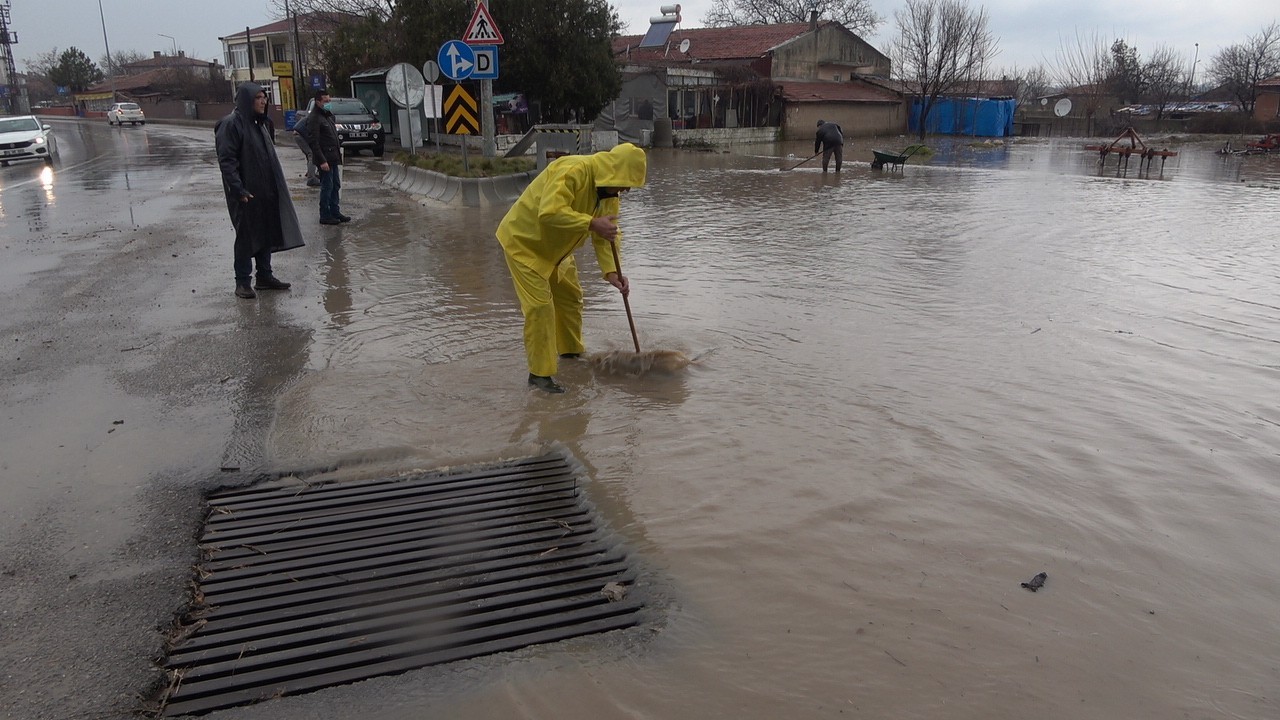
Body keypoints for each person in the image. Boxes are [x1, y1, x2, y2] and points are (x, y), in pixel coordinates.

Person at [496, 143, 648, 393]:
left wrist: (612, 272)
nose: (626, 189)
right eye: (625, 182)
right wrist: (591, 223)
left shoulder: (609, 195)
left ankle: (570, 353)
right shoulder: (573, 171)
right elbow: (550, 212)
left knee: (571, 299)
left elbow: (607, 235)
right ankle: (540, 376)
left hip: (557, 251)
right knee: (540, 308)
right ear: (614, 172)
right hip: (524, 243)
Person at [215, 82, 305, 299]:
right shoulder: (231, 124)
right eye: (258, 98)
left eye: (265, 97)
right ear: (247, 100)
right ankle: (242, 282)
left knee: (266, 232)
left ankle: (264, 276)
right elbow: (227, 161)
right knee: (246, 236)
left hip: (266, 190)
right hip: (245, 193)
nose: (264, 101)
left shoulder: (261, 123)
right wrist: (238, 189)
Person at [306, 88, 349, 225]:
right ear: (318, 102)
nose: (328, 103)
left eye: (329, 100)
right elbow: (314, 142)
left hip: (333, 157)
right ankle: (325, 214)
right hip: (325, 159)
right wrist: (322, 161)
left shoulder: (327, 116)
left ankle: (335, 211)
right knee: (327, 186)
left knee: (336, 185)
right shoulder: (314, 118)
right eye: (326, 101)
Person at [292, 111, 320, 187]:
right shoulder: (316, 118)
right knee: (312, 154)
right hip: (300, 135)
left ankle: (310, 172)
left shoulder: (314, 115)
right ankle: (311, 178)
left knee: (309, 154)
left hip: (299, 134)